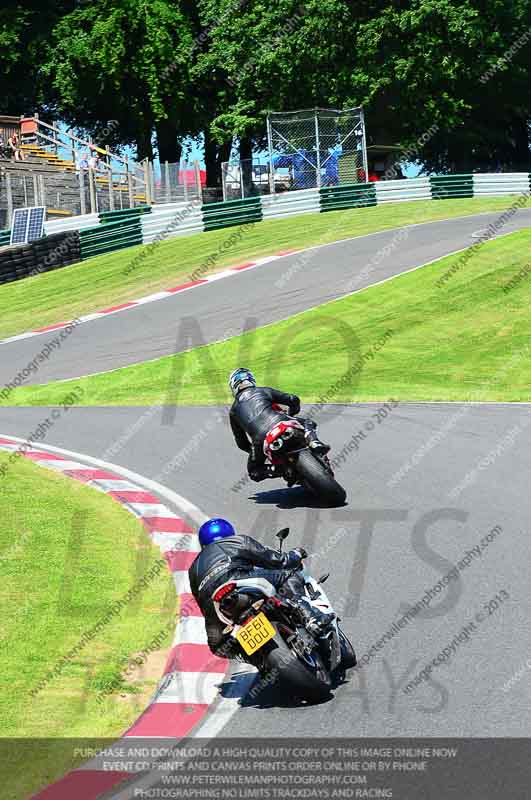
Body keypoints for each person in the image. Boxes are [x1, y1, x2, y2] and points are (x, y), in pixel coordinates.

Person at [188, 518, 335, 656]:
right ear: (228, 533)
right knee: (288, 574)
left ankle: (258, 659)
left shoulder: (193, 568)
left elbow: (200, 601)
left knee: (219, 647)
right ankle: (309, 617)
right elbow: (275, 560)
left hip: (215, 608)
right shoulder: (235, 541)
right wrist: (294, 556)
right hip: (237, 582)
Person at [228, 368, 330, 482]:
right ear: (251, 380)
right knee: (308, 422)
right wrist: (293, 412)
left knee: (254, 472)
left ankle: (280, 469)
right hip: (281, 421)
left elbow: (241, 442)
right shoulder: (263, 390)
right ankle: (314, 442)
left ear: (233, 386)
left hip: (260, 440)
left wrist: (255, 451)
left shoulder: (233, 411)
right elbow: (293, 399)